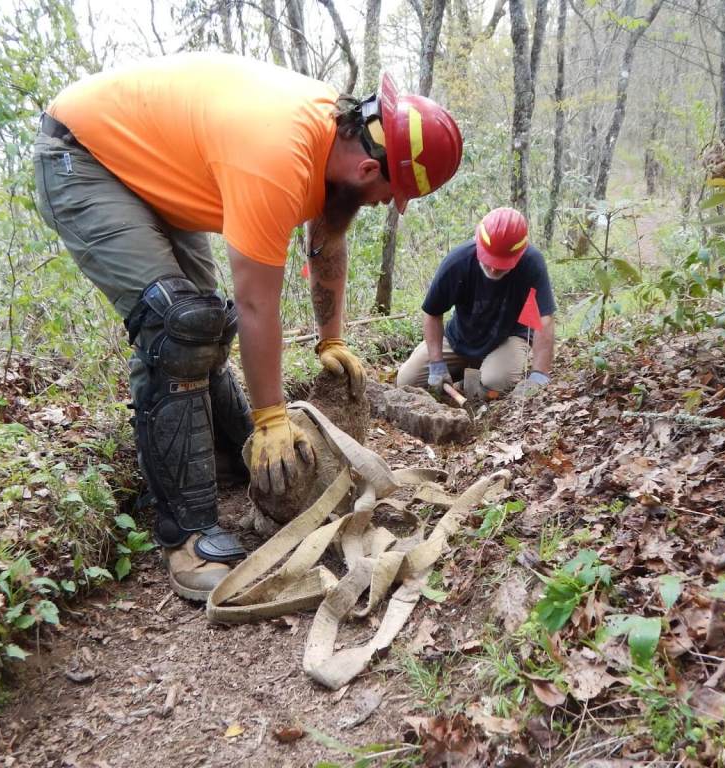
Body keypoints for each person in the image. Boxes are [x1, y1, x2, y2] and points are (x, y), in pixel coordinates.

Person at [32, 53, 463, 600]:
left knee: (202, 322)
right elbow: (259, 304)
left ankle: (219, 453)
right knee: (179, 324)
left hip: (148, 166)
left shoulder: (337, 138)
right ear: (369, 169)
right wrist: (271, 417)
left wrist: (331, 337)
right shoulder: (277, 156)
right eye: (387, 197)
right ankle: (186, 534)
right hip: (87, 158)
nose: (382, 206)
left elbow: (327, 237)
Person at [397, 207, 555, 398]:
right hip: (460, 338)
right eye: (489, 261)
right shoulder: (458, 262)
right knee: (407, 380)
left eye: (501, 265)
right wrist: (437, 364)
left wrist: (539, 374)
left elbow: (544, 318)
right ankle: (462, 372)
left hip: (507, 338)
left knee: (495, 382)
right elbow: (432, 313)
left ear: (519, 254)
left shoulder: (531, 263)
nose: (494, 270)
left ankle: (472, 380)